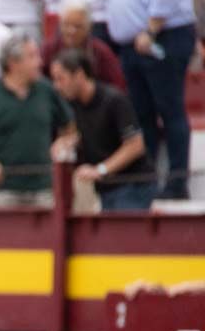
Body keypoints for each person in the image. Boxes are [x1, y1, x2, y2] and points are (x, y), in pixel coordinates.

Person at [108, 0, 197, 200]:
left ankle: (177, 182)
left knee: (169, 110)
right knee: (141, 113)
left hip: (161, 36)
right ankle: (146, 181)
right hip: (135, 41)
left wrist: (151, 28)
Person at [0, 33, 77, 206]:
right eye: (32, 56)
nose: (39, 62)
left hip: (44, 188)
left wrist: (65, 142)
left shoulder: (46, 90)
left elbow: (70, 128)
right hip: (2, 190)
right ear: (12, 63)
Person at [50, 48, 155, 210]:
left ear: (79, 75)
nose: (57, 86)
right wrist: (68, 142)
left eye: (60, 79)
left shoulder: (114, 100)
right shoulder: (75, 104)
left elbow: (135, 145)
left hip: (132, 185)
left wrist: (101, 169)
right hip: (107, 188)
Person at [41, 4, 126, 91]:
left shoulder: (100, 51)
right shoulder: (50, 48)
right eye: (66, 25)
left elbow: (118, 86)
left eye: (78, 26)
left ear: (88, 28)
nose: (71, 31)